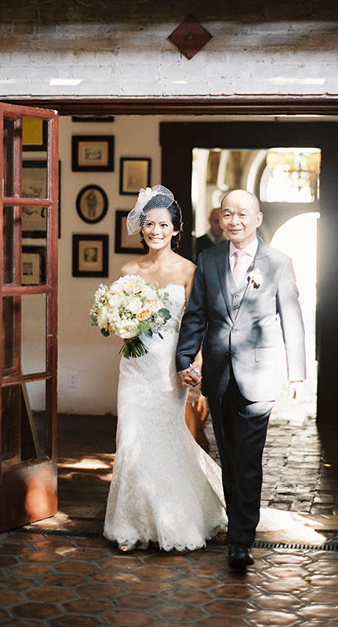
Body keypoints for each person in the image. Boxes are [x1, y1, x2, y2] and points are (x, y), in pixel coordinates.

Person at [176, 189, 306, 569]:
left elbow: (292, 318)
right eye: (227, 214)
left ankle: (240, 540)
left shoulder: (278, 262)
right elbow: (196, 315)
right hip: (218, 374)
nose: (234, 221)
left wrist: (296, 373)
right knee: (229, 458)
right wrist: (185, 358)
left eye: (242, 214)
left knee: (248, 458)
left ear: (257, 219)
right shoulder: (209, 259)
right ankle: (237, 525)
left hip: (259, 375)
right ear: (220, 219)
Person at [103, 185, 226, 553]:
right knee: (130, 438)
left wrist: (194, 364)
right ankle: (130, 523)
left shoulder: (189, 270)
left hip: (168, 367)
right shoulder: (128, 269)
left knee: (165, 438)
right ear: (141, 228)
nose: (155, 231)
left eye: (163, 225)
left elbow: (199, 323)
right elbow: (118, 316)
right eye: (149, 224)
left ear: (175, 230)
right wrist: (121, 327)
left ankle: (175, 519)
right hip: (134, 367)